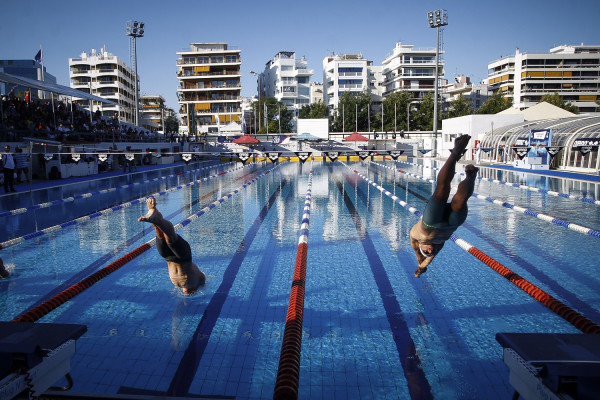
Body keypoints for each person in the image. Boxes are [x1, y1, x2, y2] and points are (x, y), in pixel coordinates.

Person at [410, 134, 479, 278]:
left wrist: (419, 267)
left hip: (431, 221)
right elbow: (429, 258)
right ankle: (470, 177)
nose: (430, 251)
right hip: (451, 223)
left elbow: (420, 258)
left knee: (442, 190)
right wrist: (425, 262)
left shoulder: (416, 241)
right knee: (461, 201)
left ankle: (455, 153)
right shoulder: (438, 246)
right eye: (431, 253)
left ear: (420, 248)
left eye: (426, 252)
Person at [139, 196, 205, 294]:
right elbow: (193, 287)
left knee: (163, 235)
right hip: (181, 258)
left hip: (170, 257)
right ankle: (155, 218)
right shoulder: (197, 281)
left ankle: (154, 215)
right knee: (169, 237)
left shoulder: (197, 278)